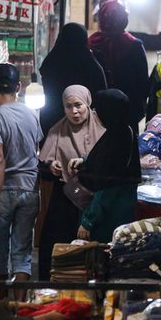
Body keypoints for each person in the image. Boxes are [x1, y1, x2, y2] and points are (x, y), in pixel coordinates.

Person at [0, 63, 42, 283]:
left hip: (4, 191)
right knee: (22, 254)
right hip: (30, 189)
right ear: (19, 86)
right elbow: (35, 150)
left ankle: (1, 306)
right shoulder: (32, 115)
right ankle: (20, 306)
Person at [37, 85, 105, 276]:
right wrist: (51, 167)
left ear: (87, 104)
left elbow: (106, 164)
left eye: (78, 105)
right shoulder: (57, 131)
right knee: (55, 243)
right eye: (69, 106)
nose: (74, 111)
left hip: (93, 199)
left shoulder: (101, 129)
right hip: (65, 197)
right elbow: (43, 164)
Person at [73, 89, 141, 242]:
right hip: (117, 212)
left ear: (109, 111)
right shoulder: (122, 132)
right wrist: (84, 161)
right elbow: (105, 164)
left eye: (98, 109)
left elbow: (107, 188)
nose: (95, 113)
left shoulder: (116, 143)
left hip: (108, 219)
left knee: (100, 259)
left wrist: (88, 221)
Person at [89, 0, 150, 131]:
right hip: (128, 109)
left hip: (98, 109)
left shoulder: (92, 42)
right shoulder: (134, 45)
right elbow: (143, 82)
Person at [38, 23, 107, 136]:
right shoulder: (91, 65)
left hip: (53, 120)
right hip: (82, 122)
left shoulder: (52, 61)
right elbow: (100, 95)